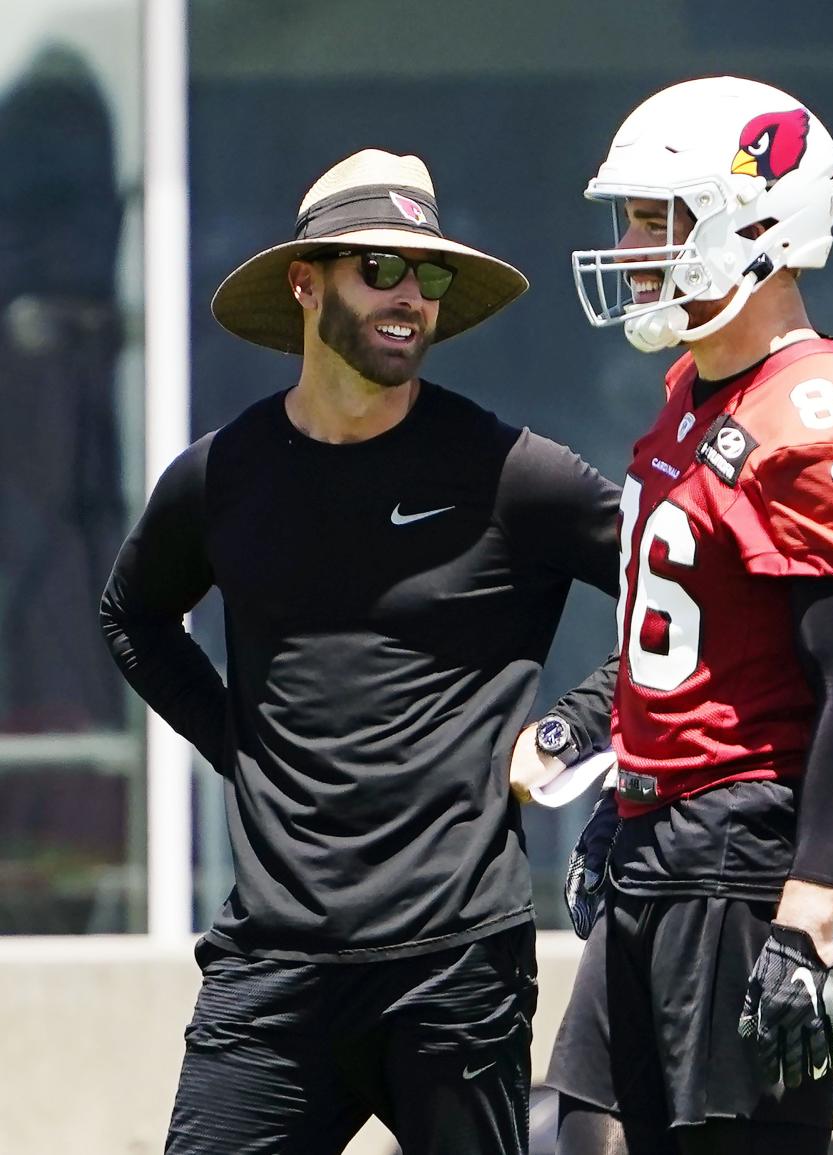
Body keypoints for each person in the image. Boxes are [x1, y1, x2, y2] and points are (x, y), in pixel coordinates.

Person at [100, 148, 622, 1155]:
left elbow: (680, 590)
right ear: (306, 283)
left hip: (456, 963)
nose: (411, 298)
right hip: (272, 963)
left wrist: (571, 726)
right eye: (379, 269)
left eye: (428, 276)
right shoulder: (221, 475)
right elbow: (134, 618)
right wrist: (241, 746)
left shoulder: (510, 471)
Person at [541, 76, 833, 1155]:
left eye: (656, 219)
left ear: (753, 222)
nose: (630, 245)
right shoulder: (693, 388)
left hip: (742, 856)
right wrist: (622, 783)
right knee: (586, 1130)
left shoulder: (819, 418)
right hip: (657, 834)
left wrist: (808, 913)